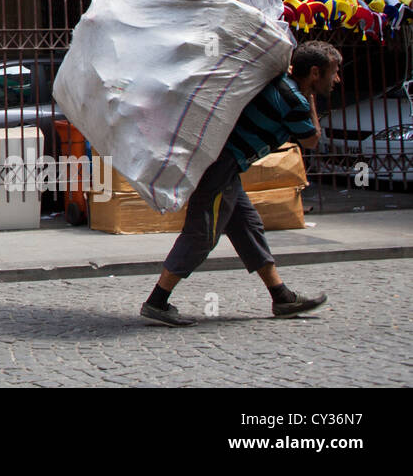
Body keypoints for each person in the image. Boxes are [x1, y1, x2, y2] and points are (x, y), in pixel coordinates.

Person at [140, 40, 342, 326]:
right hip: (221, 167)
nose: (337, 79)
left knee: (248, 226)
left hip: (225, 165)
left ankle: (281, 296)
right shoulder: (295, 99)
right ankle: (156, 301)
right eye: (334, 72)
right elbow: (311, 139)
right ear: (314, 73)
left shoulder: (280, 84)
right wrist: (311, 99)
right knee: (203, 233)